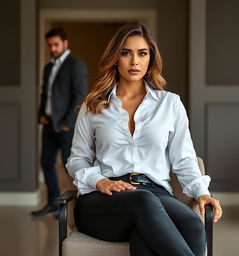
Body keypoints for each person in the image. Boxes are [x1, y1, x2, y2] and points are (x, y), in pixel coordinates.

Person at [66, 23, 222, 255]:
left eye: (142, 53)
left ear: (151, 59)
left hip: (154, 193)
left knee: (189, 225)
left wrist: (202, 192)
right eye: (126, 53)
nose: (134, 61)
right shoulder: (94, 104)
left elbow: (184, 158)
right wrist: (100, 181)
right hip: (104, 200)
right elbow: (77, 159)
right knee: (143, 203)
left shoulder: (170, 103)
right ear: (115, 57)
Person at [31, 28, 88, 217]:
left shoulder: (76, 65)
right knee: (46, 162)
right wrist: (41, 113)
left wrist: (68, 122)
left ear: (65, 43)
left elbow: (80, 95)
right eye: (50, 45)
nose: (53, 48)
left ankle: (78, 207)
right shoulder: (48, 67)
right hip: (48, 124)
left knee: (69, 166)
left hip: (65, 126)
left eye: (56, 44)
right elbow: (45, 93)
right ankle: (53, 203)